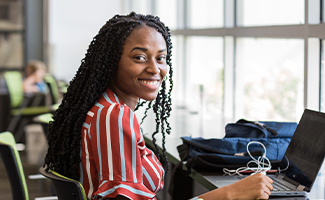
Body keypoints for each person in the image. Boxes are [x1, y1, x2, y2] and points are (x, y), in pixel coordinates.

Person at [44, 12, 273, 200]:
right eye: (140, 58)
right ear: (112, 62)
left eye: (160, 58)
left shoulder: (108, 107)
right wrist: (229, 193)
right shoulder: (113, 115)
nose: (155, 69)